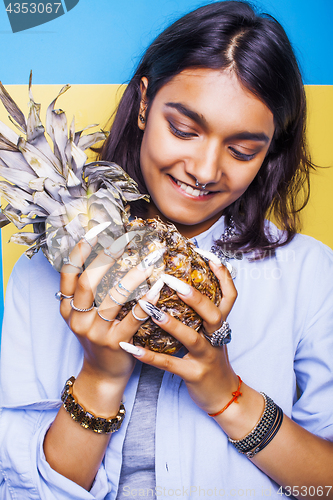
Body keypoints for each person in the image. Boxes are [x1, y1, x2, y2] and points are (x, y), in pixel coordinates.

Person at [1, 1, 333, 498]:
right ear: (143, 103)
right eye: (183, 129)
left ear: (268, 153)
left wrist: (225, 393)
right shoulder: (44, 276)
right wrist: (100, 377)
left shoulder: (309, 272)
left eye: (243, 150)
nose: (203, 169)